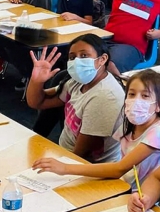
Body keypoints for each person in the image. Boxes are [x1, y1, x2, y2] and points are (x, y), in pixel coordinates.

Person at [32, 69, 160, 191]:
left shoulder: (159, 132)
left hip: (140, 199)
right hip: (121, 187)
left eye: (145, 96)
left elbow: (119, 169)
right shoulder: (130, 125)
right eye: (132, 94)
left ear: (159, 105)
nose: (136, 100)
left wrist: (65, 168)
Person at [26, 34, 124, 163]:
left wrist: (58, 165)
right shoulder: (78, 82)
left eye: (84, 56)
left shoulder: (105, 97)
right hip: (64, 153)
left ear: (102, 59)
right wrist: (37, 81)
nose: (77, 61)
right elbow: (38, 102)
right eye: (72, 57)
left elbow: (81, 154)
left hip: (88, 167)